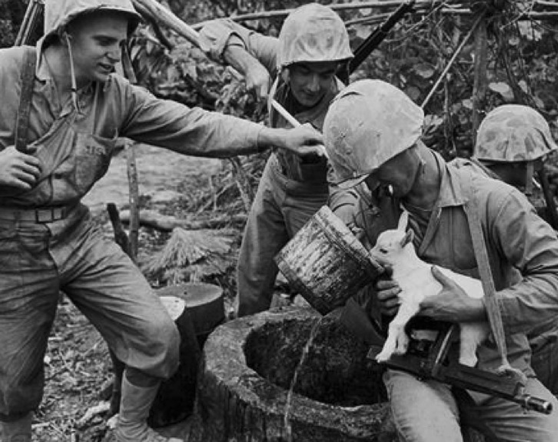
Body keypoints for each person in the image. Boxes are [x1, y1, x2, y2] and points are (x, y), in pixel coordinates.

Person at [0, 0, 326, 441]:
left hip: (77, 234)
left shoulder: (114, 94)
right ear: (64, 34)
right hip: (11, 244)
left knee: (156, 336)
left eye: (121, 42)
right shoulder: (8, 74)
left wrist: (274, 136)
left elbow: (192, 125)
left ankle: (129, 431)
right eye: (104, 42)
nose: (116, 55)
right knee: (13, 386)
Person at [322, 79, 558, 442]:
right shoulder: (372, 211)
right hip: (417, 372)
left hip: (494, 368)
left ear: (407, 144)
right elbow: (354, 310)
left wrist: (478, 306)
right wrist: (379, 302)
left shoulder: (492, 201)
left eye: (377, 168)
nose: (372, 182)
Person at [200, 3, 355, 317]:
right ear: (287, 63)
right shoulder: (278, 55)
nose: (313, 86)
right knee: (252, 272)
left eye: (326, 74)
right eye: (304, 71)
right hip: (275, 179)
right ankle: (240, 339)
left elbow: (351, 185)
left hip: (315, 198)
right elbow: (213, 30)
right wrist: (249, 65)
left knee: (324, 287)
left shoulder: (345, 113)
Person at [450, 104, 558, 409]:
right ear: (523, 164)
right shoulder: (501, 195)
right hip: (473, 305)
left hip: (460, 295)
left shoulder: (457, 172)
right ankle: (549, 407)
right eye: (535, 163)